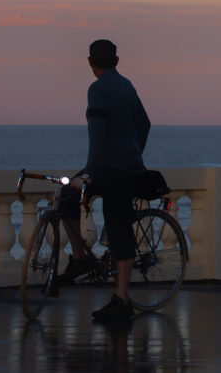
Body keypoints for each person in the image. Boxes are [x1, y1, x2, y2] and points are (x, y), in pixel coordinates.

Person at [56, 38, 151, 321]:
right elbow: (144, 124)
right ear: (117, 61)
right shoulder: (126, 85)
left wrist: (87, 172)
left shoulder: (97, 89)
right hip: (128, 166)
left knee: (71, 200)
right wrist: (134, 153)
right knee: (72, 199)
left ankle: (121, 298)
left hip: (108, 168)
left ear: (89, 62)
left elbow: (97, 136)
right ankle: (81, 259)